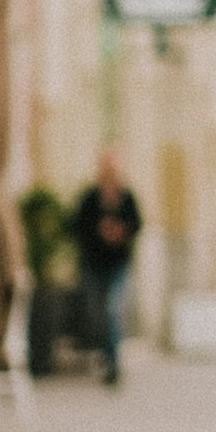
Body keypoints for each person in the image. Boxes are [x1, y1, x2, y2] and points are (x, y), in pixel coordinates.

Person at [70, 157, 142, 385]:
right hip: (94, 264)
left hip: (117, 264)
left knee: (112, 310)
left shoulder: (126, 197)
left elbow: (137, 224)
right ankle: (104, 354)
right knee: (96, 314)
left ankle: (113, 361)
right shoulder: (90, 198)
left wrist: (120, 232)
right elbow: (76, 226)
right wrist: (99, 231)